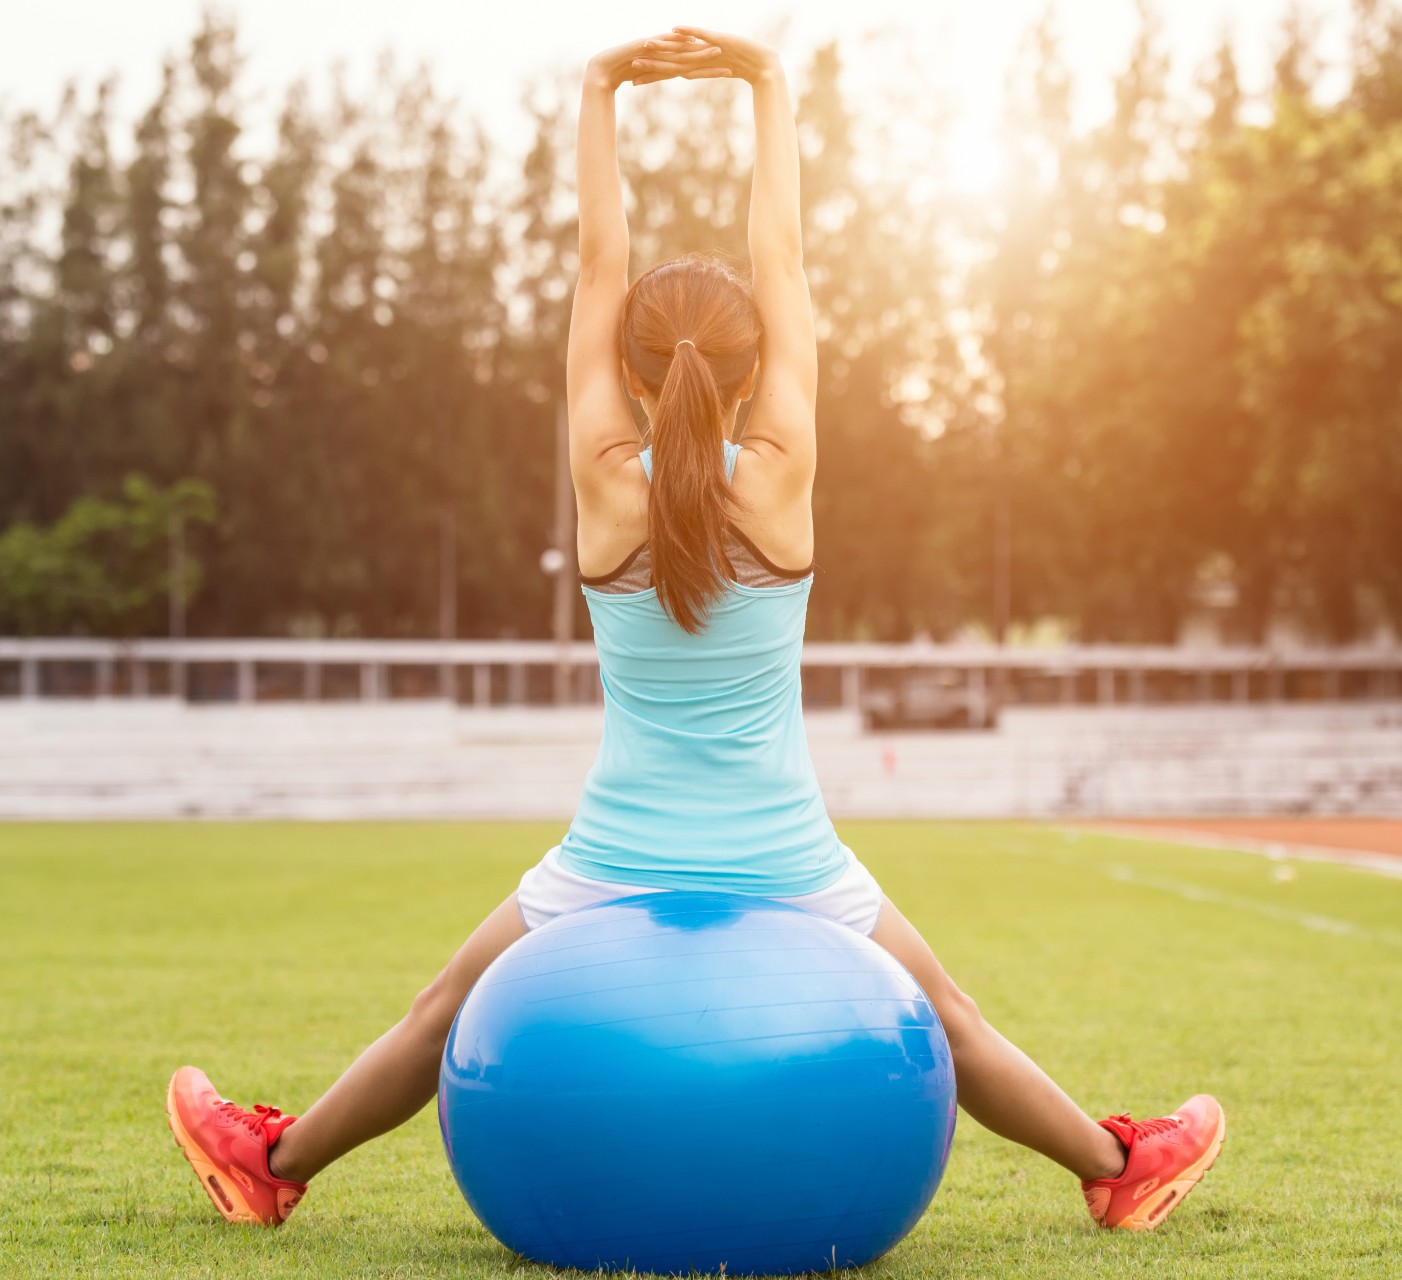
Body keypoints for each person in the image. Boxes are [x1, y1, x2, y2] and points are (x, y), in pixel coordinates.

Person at [165, 27, 1224, 1237]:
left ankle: (277, 1160)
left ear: (625, 363)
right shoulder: (781, 477)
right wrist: (765, 85)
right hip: (782, 851)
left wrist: (599, 88)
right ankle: (1113, 1164)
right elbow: (784, 260)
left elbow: (597, 265)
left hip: (616, 849)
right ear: (754, 366)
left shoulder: (606, 483)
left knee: (441, 1008)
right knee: (954, 1015)